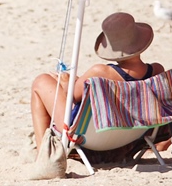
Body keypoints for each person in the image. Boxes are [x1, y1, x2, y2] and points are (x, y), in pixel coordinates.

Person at [28, 12, 163, 148]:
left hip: (89, 136)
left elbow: (73, 97)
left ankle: (43, 152)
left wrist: (66, 82)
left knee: (42, 81)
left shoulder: (100, 72)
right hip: (132, 135)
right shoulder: (157, 71)